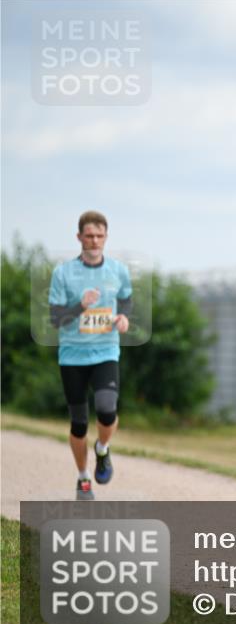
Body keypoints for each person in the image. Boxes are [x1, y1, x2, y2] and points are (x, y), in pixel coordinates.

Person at [48, 211, 132, 500]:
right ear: (79, 237)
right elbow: (56, 318)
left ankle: (103, 449)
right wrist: (80, 305)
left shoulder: (119, 271)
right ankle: (83, 477)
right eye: (89, 235)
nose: (94, 240)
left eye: (99, 236)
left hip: (106, 351)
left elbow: (126, 301)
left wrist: (123, 318)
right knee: (79, 423)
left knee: (107, 411)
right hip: (72, 356)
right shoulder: (63, 273)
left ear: (106, 237)